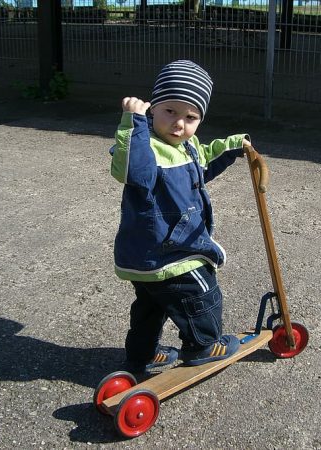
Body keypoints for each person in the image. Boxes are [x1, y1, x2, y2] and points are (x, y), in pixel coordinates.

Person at [109, 60, 251, 373]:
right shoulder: (144, 147)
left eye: (190, 117)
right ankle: (202, 345)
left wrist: (232, 147)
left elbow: (200, 169)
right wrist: (132, 122)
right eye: (170, 111)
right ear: (153, 108)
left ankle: (141, 355)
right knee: (202, 292)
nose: (178, 124)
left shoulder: (186, 146)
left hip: (151, 256)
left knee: (150, 308)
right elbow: (132, 170)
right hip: (170, 252)